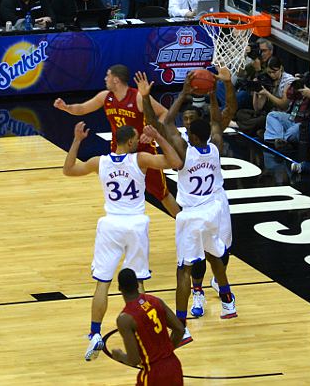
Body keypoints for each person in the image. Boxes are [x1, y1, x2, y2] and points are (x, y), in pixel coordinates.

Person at [62, 120, 181, 361]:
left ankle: (95, 333)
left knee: (102, 283)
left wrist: (76, 140)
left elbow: (68, 169)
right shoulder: (140, 160)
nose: (139, 141)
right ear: (129, 142)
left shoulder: (99, 162)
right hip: (135, 224)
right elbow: (175, 162)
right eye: (136, 139)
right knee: (139, 283)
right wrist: (157, 136)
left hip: (111, 224)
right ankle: (145, 330)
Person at [137, 69, 238, 346]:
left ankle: (180, 328)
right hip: (214, 210)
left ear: (190, 134)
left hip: (192, 215)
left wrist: (180, 94)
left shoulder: (182, 151)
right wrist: (217, 91)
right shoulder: (216, 145)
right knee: (213, 254)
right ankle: (228, 300)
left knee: (183, 269)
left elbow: (158, 122)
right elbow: (219, 118)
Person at [54, 64, 179, 215]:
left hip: (142, 150)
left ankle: (181, 221)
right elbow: (82, 108)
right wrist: (66, 107)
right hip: (118, 151)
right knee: (119, 189)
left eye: (108, 75)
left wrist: (153, 131)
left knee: (162, 194)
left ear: (116, 80)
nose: (105, 78)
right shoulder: (105, 97)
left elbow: (163, 113)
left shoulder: (138, 96)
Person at [107, 268, 184, 385]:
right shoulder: (155, 301)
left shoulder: (125, 319)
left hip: (153, 373)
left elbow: (134, 360)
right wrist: (166, 353)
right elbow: (180, 329)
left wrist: (120, 356)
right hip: (174, 366)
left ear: (119, 288)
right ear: (137, 284)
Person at [264, 58, 310, 149]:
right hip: (294, 118)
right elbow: (289, 96)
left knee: (293, 131)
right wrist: (295, 84)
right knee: (272, 116)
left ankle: (281, 141)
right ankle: (278, 142)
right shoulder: (307, 78)